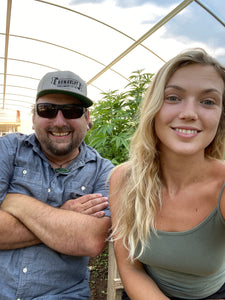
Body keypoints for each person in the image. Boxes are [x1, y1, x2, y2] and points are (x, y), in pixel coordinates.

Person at [109, 48, 225, 300]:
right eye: (173, 97)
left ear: (220, 116)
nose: (189, 113)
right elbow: (130, 267)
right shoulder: (125, 179)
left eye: (208, 101)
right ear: (153, 107)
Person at [0, 70, 113, 299]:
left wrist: (16, 202)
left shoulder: (104, 172)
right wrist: (63, 217)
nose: (59, 121)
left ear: (87, 118)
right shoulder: (8, 149)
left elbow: (90, 240)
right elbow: (77, 234)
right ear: (33, 118)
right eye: (47, 110)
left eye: (72, 111)